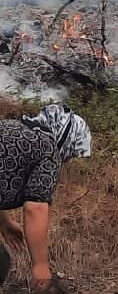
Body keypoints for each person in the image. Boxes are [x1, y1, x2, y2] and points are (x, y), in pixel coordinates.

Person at [0, 104, 92, 292]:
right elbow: (35, 207)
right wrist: (40, 265)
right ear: (67, 139)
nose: (69, 158)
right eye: (73, 152)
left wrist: (4, 223)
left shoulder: (16, 130)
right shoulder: (48, 151)